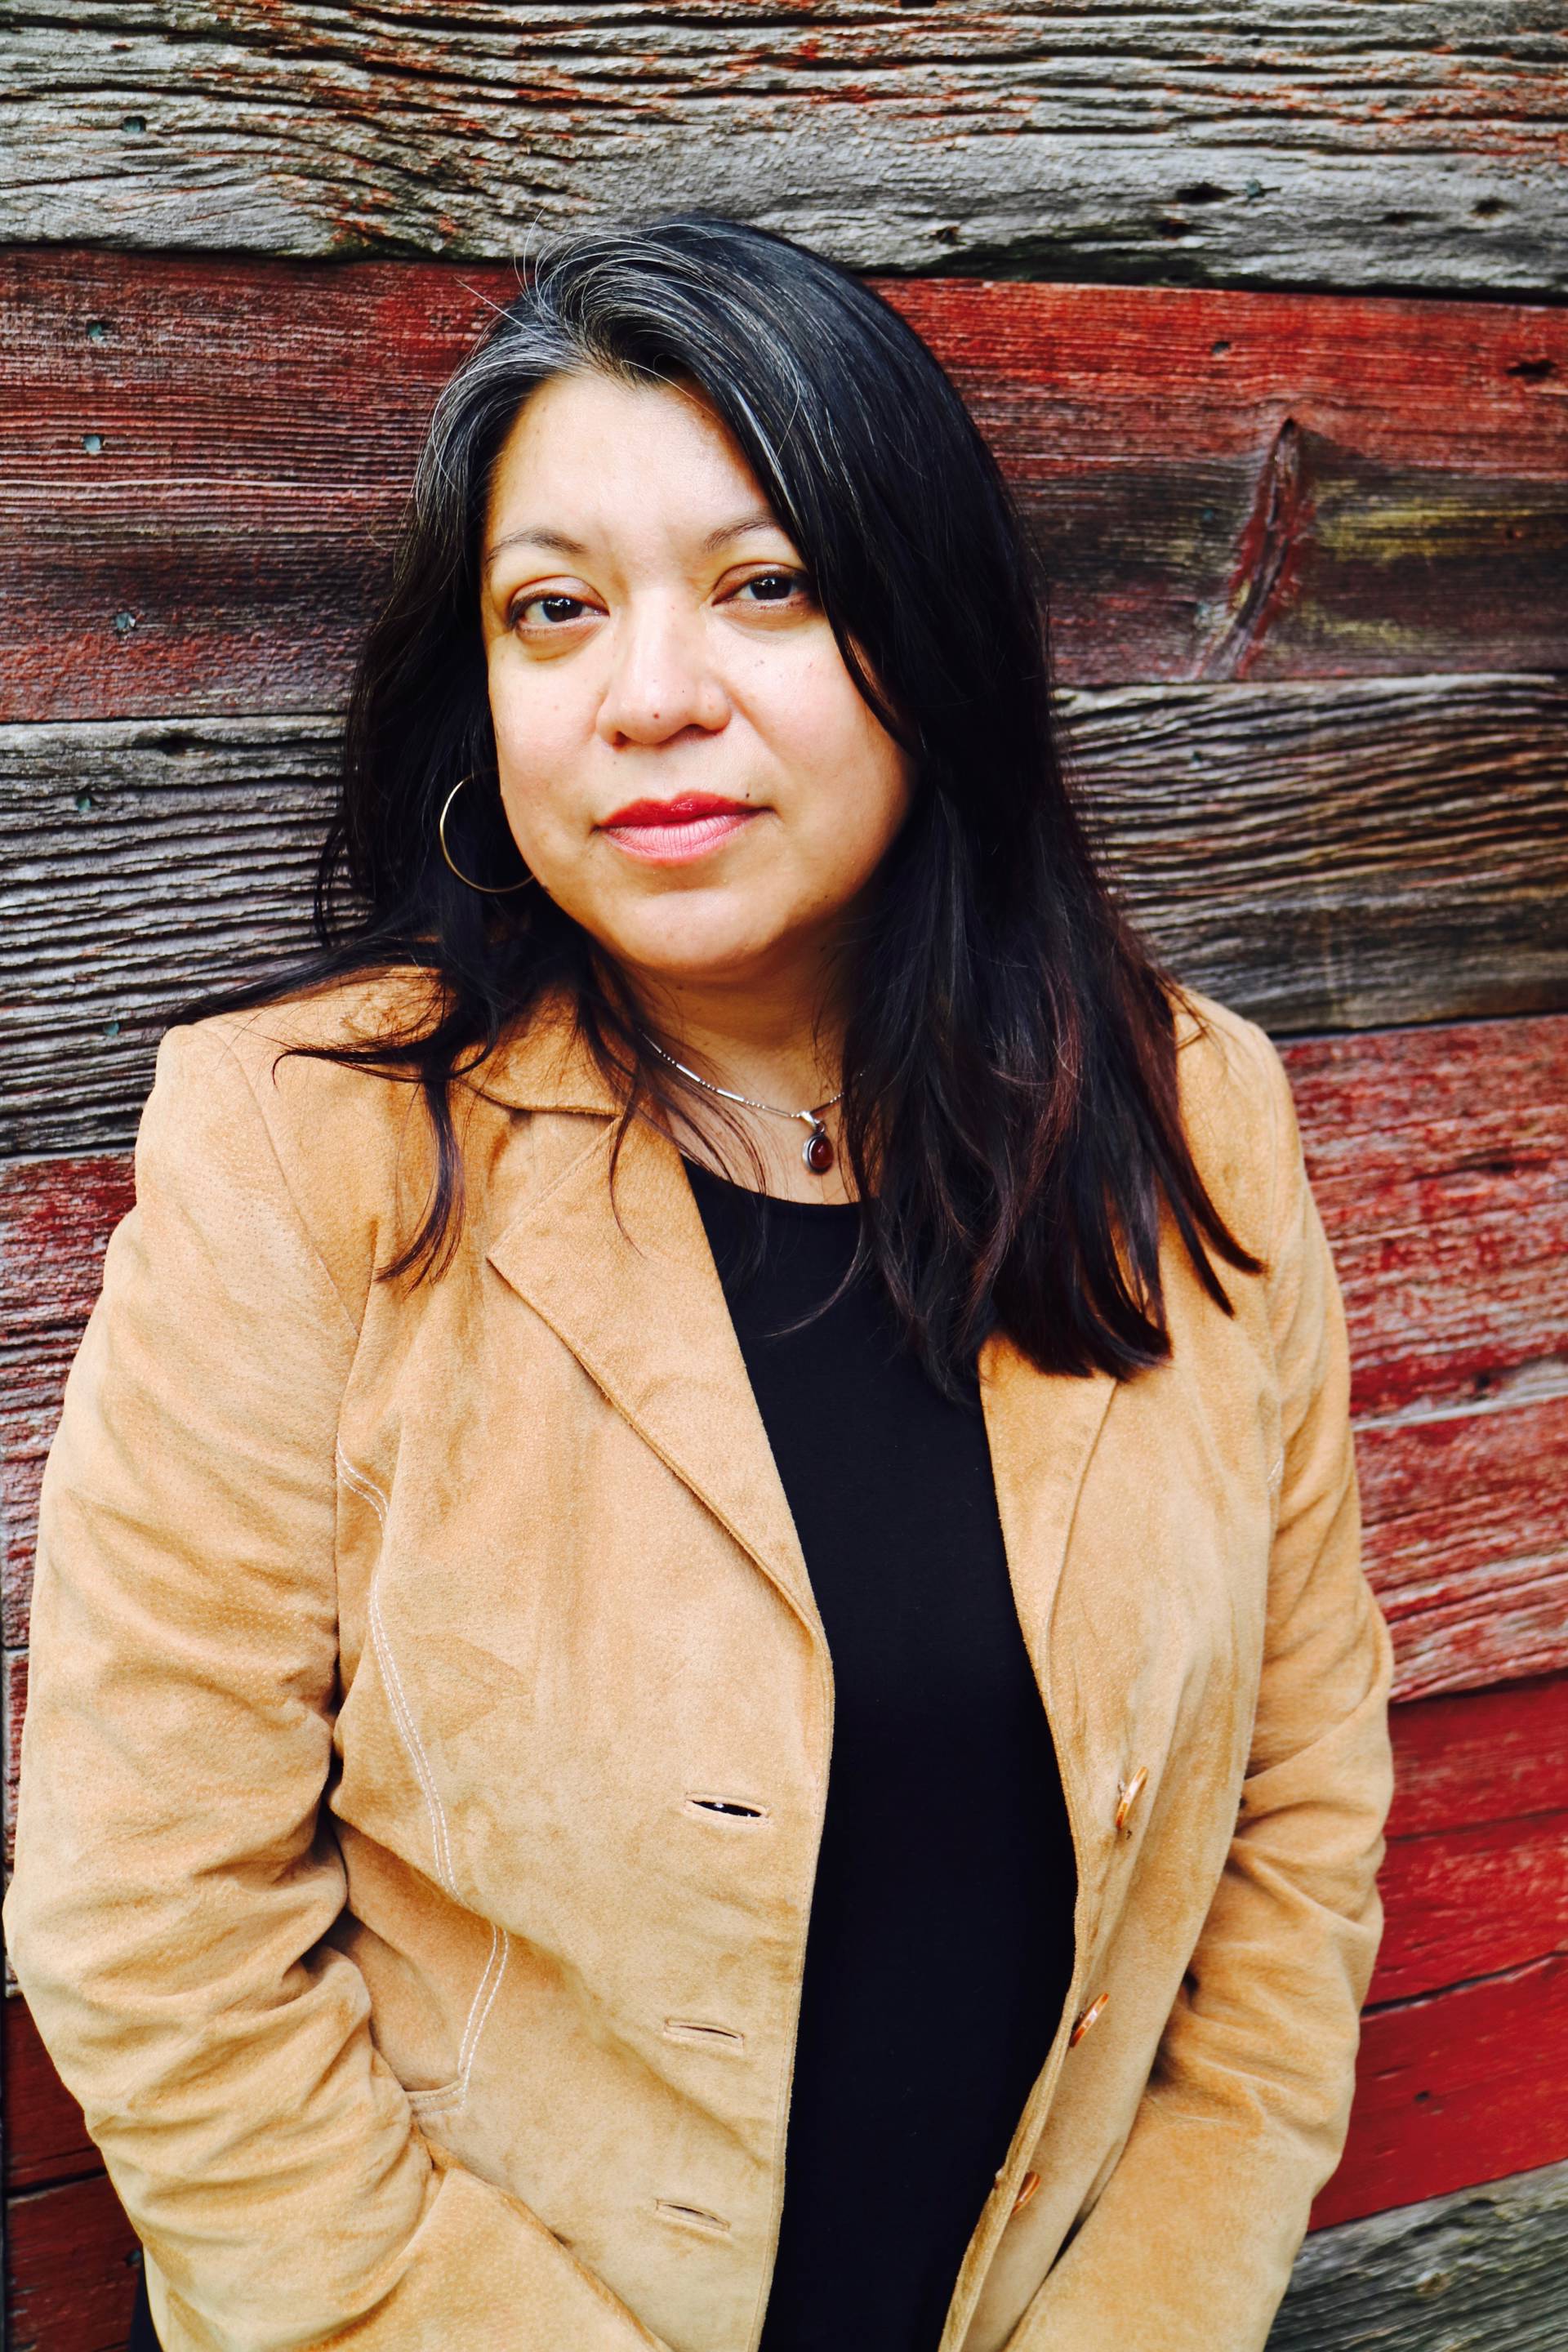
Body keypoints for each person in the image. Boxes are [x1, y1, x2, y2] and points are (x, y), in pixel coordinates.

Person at [6, 215, 1394, 2352]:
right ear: (483, 691)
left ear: (925, 634)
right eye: (552, 610)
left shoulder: (1192, 1119)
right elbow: (152, 1941)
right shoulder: (311, 1151)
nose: (650, 694)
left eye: (768, 586)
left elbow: (1292, 1838)